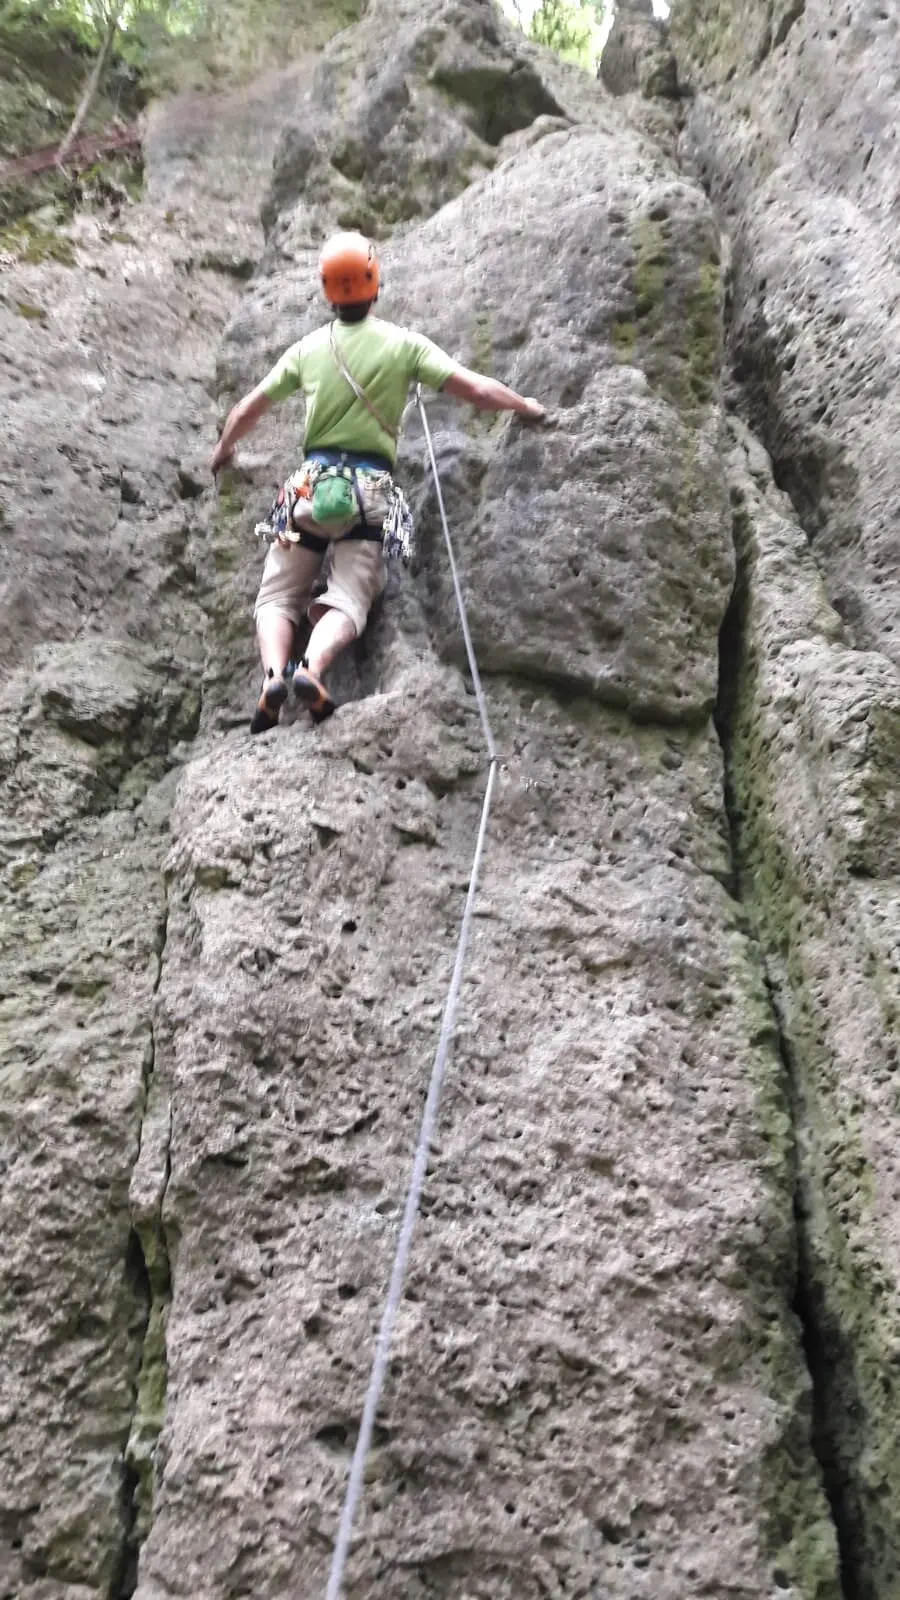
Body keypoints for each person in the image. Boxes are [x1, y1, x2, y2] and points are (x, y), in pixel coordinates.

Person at [209, 231, 547, 734]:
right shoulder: (404, 345)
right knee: (349, 595)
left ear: (328, 290)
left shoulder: (307, 349)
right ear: (375, 283)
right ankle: (312, 668)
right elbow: (474, 388)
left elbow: (248, 408)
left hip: (308, 487)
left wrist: (223, 451)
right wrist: (525, 405)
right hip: (369, 496)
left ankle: (273, 676)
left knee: (277, 596)